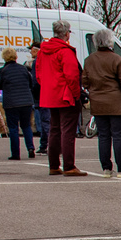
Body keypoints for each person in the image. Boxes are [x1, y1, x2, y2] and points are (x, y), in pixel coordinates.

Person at [36, 20, 86, 176]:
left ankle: (54, 165)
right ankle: (69, 165)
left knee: (55, 130)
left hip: (50, 94)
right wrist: (76, 93)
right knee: (67, 131)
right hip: (65, 95)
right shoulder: (65, 51)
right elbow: (72, 75)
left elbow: (38, 74)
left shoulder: (43, 51)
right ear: (66, 33)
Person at [82, 30, 121, 177]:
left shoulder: (89, 60)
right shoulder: (117, 59)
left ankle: (106, 168)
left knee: (103, 136)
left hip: (98, 101)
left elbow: (84, 81)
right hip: (116, 101)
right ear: (110, 41)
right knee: (118, 135)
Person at [0, 46, 38, 160]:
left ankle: (15, 153)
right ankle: (30, 148)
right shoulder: (23, 68)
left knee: (13, 128)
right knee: (26, 125)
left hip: (11, 103)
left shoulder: (3, 71)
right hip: (26, 101)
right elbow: (30, 82)